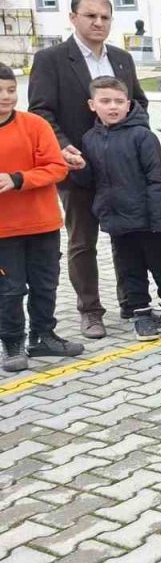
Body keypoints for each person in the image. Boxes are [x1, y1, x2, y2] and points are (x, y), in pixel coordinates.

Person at [27, 0, 148, 339]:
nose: (98, 23)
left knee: (125, 234)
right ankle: (90, 310)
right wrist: (64, 147)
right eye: (90, 16)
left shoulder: (122, 59)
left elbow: (137, 102)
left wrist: (132, 139)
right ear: (73, 18)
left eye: (105, 17)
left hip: (121, 167)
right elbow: (41, 111)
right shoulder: (51, 59)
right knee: (82, 241)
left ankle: (132, 301)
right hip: (77, 165)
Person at [68, 76, 161, 341]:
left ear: (129, 104)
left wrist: (159, 218)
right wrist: (79, 169)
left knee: (160, 263)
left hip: (148, 219)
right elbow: (90, 181)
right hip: (116, 218)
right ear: (91, 104)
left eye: (119, 101)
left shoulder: (142, 136)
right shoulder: (89, 139)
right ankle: (140, 311)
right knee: (129, 267)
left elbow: (159, 178)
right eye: (105, 101)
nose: (113, 107)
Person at [0, 62, 84, 372]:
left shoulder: (35, 125)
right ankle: (11, 342)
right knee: (9, 289)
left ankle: (43, 336)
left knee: (45, 284)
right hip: (3, 230)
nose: (6, 97)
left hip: (42, 223)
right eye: (0, 92)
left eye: (10, 90)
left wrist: (18, 179)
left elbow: (56, 167)